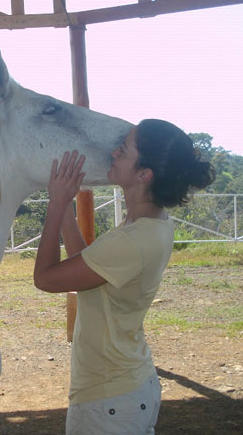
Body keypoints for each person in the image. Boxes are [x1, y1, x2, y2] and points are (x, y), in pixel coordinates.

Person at [33, 119, 215, 435]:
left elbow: (45, 278)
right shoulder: (150, 224)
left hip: (109, 401)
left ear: (145, 174)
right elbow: (87, 268)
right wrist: (64, 210)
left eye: (125, 148)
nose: (114, 152)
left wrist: (56, 204)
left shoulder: (132, 240)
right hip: (124, 386)